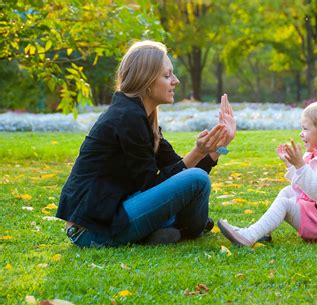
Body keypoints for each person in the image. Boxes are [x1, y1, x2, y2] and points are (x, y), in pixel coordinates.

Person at [56, 40, 236, 248]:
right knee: (197, 179)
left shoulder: (142, 117)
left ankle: (168, 229)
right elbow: (155, 185)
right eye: (167, 75)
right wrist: (197, 151)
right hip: (92, 229)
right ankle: (181, 228)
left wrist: (218, 147)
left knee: (195, 179)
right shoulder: (127, 118)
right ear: (147, 81)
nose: (175, 81)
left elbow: (177, 175)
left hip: (113, 214)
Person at [218, 101, 317, 247]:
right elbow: (303, 187)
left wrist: (299, 165)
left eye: (305, 129)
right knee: (287, 191)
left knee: (285, 204)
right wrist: (291, 163)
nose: (301, 134)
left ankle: (249, 236)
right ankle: (261, 232)